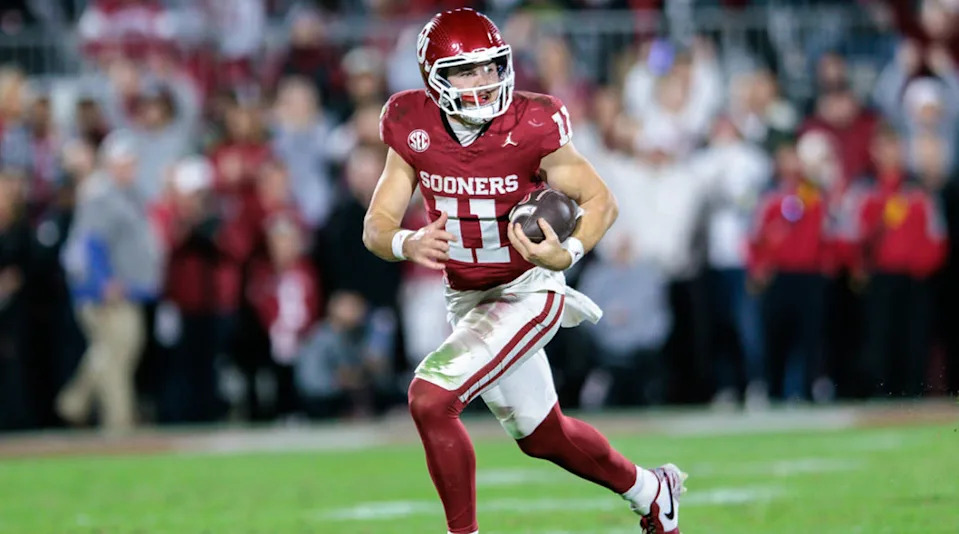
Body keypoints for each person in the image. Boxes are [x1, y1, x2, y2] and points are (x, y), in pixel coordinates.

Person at [362, 8, 686, 534]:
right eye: (467, 71)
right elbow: (375, 225)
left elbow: (600, 200)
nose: (484, 81)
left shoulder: (533, 121)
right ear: (434, 76)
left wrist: (570, 252)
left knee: (430, 397)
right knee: (543, 436)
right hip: (467, 300)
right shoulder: (410, 120)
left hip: (526, 290)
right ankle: (652, 492)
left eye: (491, 67)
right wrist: (406, 240)